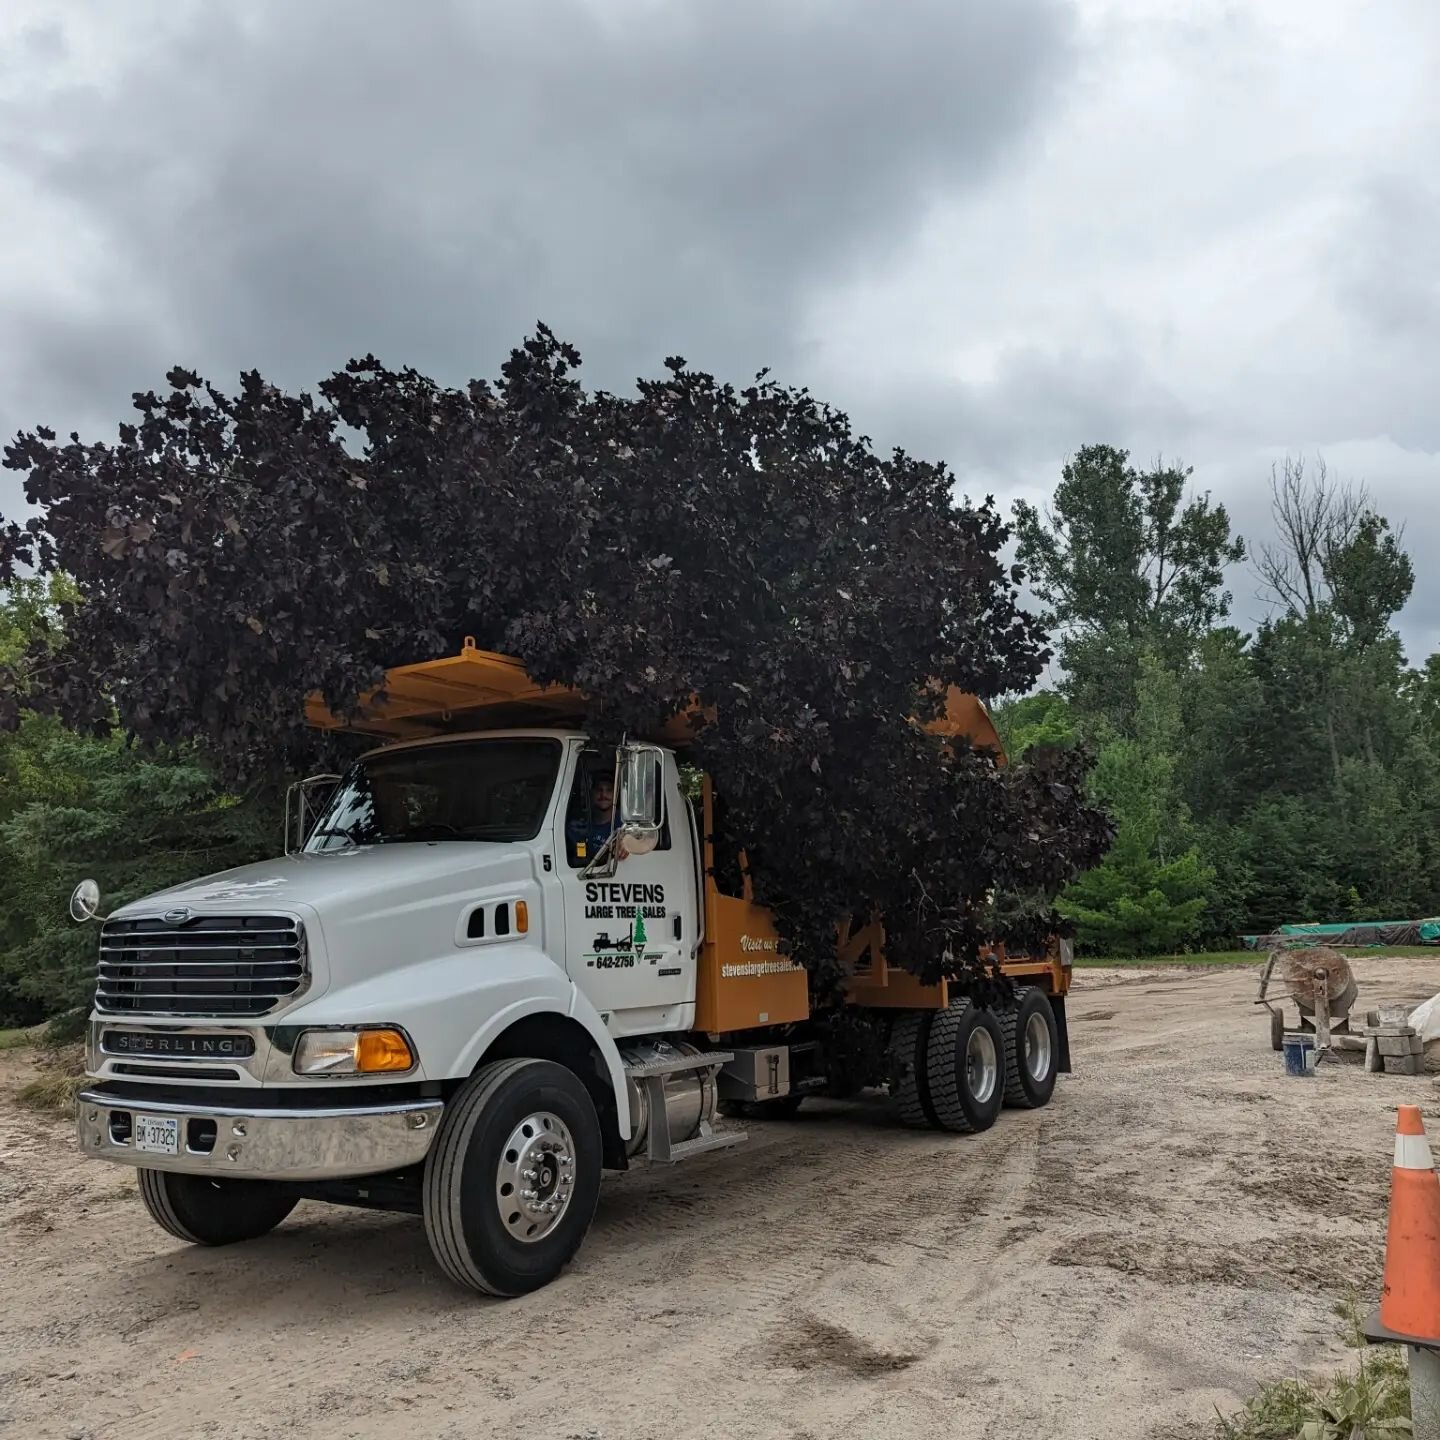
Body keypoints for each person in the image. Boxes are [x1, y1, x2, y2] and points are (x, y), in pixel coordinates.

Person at [567, 771, 628, 861]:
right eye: (599, 790)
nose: (603, 795)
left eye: (609, 790)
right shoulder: (578, 824)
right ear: (591, 793)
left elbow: (645, 837)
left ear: (616, 794)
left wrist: (628, 844)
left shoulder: (626, 823)